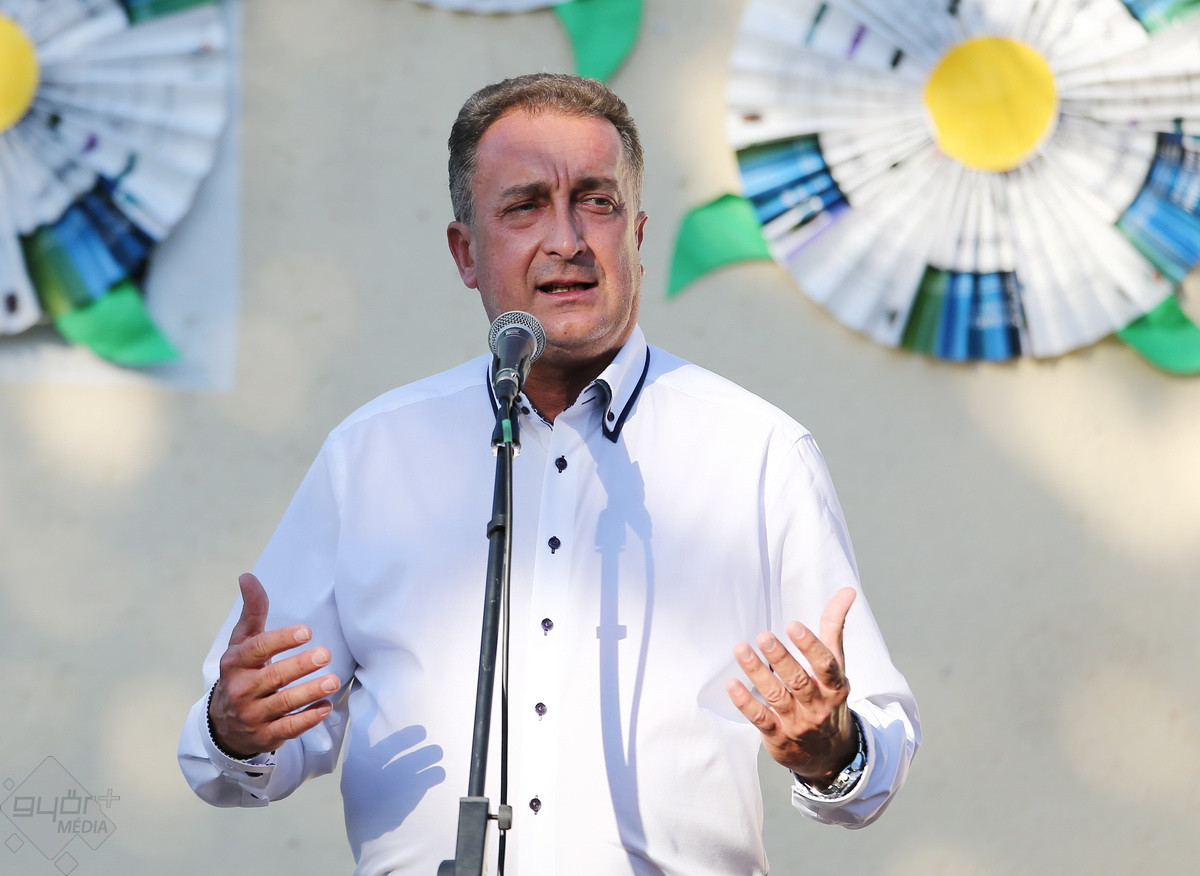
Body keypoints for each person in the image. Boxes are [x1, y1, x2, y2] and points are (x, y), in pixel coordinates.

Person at [179, 72, 920, 875]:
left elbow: (875, 750)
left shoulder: (757, 452)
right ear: (466, 252)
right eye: (525, 206)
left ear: (637, 236)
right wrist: (236, 729)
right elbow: (235, 756)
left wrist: (831, 748)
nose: (567, 239)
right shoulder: (372, 456)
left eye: (596, 202)